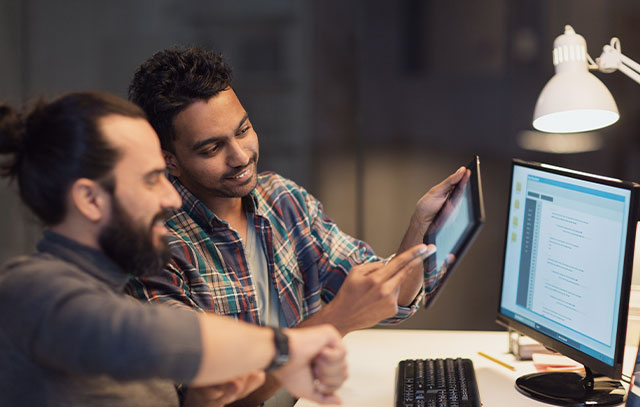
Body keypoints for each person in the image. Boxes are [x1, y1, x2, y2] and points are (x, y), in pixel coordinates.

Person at [126, 46, 462, 405]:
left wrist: (420, 229)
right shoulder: (155, 248)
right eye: (212, 149)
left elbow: (387, 299)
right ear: (170, 161)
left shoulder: (282, 199)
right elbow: (207, 400)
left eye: (243, 130)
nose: (240, 156)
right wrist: (338, 318)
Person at [0, 91, 348, 407]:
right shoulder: (25, 292)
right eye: (151, 179)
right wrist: (285, 350)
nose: (169, 198)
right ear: (90, 200)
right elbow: (141, 334)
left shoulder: (110, 292)